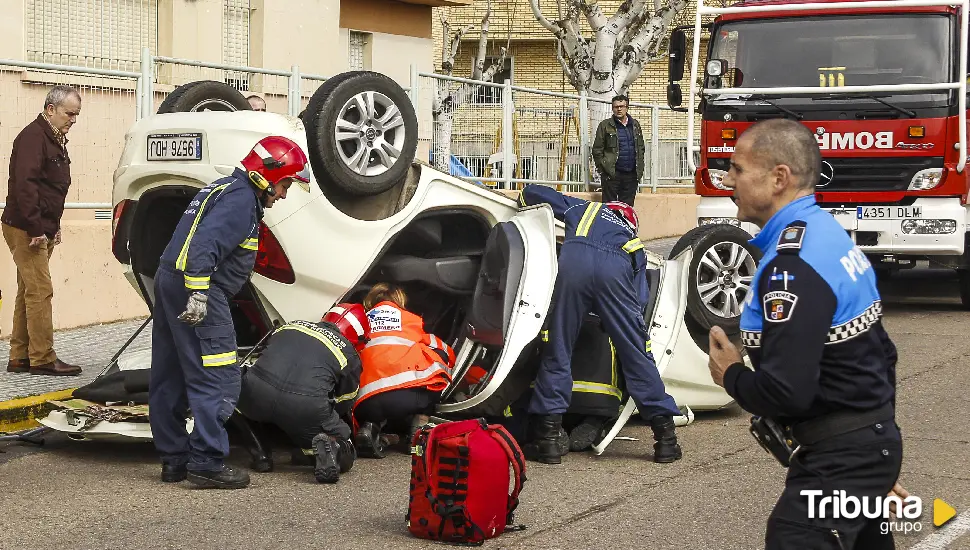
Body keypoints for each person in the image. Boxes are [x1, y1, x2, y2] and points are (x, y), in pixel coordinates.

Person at [706, 118, 903, 549]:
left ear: (780, 177)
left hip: (842, 461)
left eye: (738, 169)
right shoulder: (827, 234)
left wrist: (731, 374)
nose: (727, 179)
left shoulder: (791, 266)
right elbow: (881, 354)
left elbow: (786, 392)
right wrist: (872, 460)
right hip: (860, 453)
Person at [148, 135, 309, 489]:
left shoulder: (221, 187)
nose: (282, 195)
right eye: (284, 185)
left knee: (171, 371)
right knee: (218, 375)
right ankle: (206, 461)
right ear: (267, 174)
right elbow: (204, 246)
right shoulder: (239, 200)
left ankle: (174, 460)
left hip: (171, 280)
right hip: (200, 288)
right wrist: (199, 294)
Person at [517, 184, 682, 465]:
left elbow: (530, 193)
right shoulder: (634, 244)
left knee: (558, 347)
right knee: (637, 354)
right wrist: (613, 322)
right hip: (616, 270)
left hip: (574, 262)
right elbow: (640, 301)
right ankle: (665, 439)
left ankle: (548, 441)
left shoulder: (583, 208)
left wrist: (522, 204)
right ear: (630, 223)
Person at [235, 303, 370, 484]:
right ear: (358, 337)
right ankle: (331, 447)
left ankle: (261, 455)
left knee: (233, 392)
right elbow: (345, 400)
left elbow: (266, 357)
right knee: (344, 445)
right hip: (305, 408)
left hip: (257, 393)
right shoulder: (349, 353)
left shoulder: (290, 325)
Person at [2, 85, 83, 377]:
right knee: (40, 291)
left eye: (76, 115)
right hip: (25, 227)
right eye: (69, 113)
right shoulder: (33, 138)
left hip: (39, 225)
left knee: (28, 290)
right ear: (51, 109)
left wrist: (54, 226)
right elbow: (25, 186)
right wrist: (37, 228)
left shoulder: (53, 137)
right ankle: (43, 358)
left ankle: (20, 357)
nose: (73, 119)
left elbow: (52, 187)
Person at [353, 283, 455, 458]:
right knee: (438, 367)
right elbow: (443, 350)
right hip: (405, 400)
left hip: (363, 402)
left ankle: (371, 425)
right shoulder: (410, 319)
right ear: (400, 301)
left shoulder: (358, 323)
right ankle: (418, 430)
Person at [591, 95, 645, 207]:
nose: (619, 109)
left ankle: (624, 225)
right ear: (612, 108)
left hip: (631, 175)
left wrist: (639, 169)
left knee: (627, 208)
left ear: (627, 107)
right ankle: (609, 225)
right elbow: (597, 150)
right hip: (612, 175)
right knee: (609, 208)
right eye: (616, 107)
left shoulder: (635, 125)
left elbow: (641, 148)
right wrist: (603, 170)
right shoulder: (605, 125)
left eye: (621, 106)